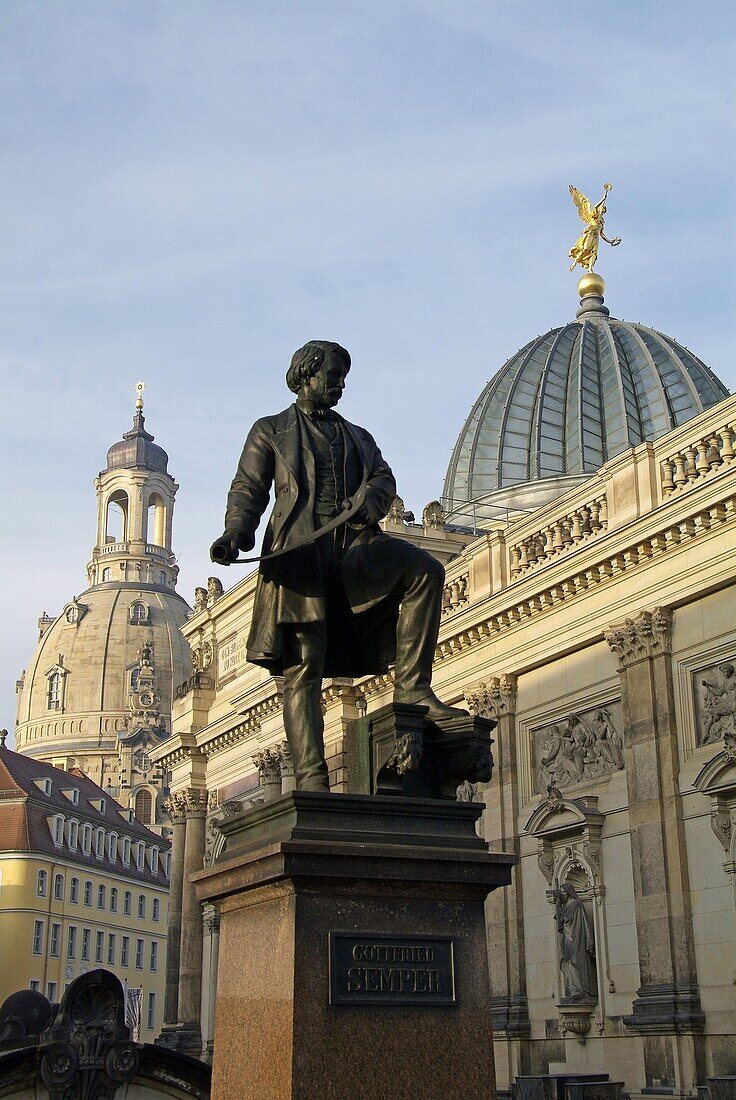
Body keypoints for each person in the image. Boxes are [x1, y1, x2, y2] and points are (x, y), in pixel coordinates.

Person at [210, 340, 465, 792]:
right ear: (306, 374)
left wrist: (369, 499)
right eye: (333, 376)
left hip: (354, 545)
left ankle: (413, 689)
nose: (340, 385)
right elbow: (248, 488)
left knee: (425, 570)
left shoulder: (357, 437)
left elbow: (383, 478)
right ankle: (311, 777)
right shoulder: (270, 430)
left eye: (344, 377)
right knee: (303, 663)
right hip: (301, 553)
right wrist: (235, 535)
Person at [553, 882, 597, 1001]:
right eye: (561, 892)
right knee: (568, 962)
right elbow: (560, 923)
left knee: (575, 961)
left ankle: (581, 989)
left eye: (563, 892)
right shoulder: (567, 905)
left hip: (575, 938)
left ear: (568, 892)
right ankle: (573, 989)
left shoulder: (575, 904)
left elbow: (567, 919)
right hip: (568, 938)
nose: (562, 894)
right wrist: (557, 905)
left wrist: (559, 907)